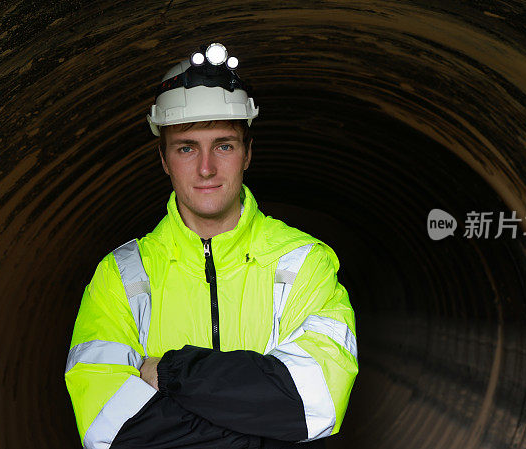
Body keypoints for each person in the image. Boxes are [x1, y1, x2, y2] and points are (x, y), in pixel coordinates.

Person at [65, 42, 358, 449]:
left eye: (224, 145)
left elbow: (312, 404)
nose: (206, 167)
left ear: (247, 154)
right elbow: (111, 430)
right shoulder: (121, 276)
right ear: (164, 160)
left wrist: (170, 371)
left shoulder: (305, 261)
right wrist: (260, 425)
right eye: (187, 147)